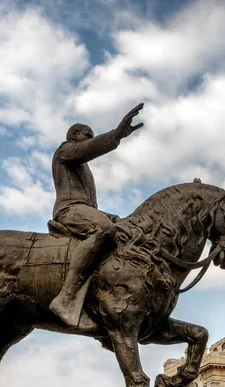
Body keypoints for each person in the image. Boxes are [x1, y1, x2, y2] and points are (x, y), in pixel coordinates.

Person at [49, 103, 144, 328]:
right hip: (69, 210)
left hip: (85, 210)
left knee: (120, 227)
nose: (90, 139)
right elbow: (87, 150)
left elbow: (90, 204)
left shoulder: (84, 167)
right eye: (87, 136)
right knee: (104, 229)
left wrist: (112, 215)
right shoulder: (65, 150)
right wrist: (116, 135)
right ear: (74, 135)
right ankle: (67, 297)